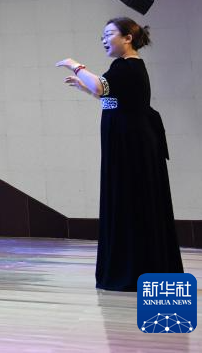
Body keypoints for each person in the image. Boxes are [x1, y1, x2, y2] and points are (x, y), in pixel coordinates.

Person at [56, 17, 182, 291]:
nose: (104, 39)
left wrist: (75, 65)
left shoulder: (127, 66)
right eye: (102, 35)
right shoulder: (125, 67)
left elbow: (101, 87)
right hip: (128, 143)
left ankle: (134, 270)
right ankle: (136, 267)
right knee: (130, 202)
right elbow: (113, 100)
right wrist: (85, 88)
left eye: (109, 34)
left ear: (128, 38)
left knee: (132, 202)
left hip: (132, 146)